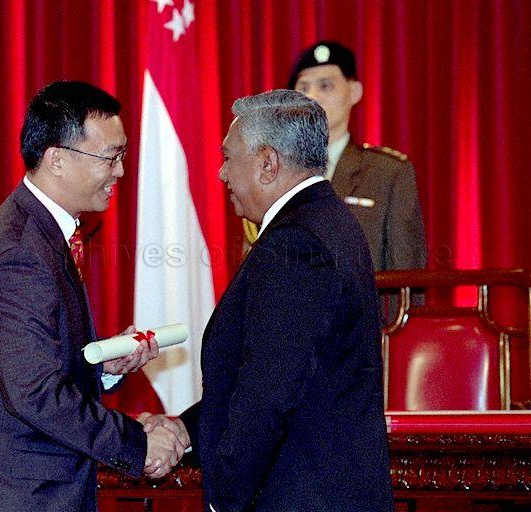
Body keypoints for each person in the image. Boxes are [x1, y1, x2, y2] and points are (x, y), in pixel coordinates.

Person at [0, 81, 187, 512]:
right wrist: (135, 443)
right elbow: (35, 394)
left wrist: (103, 368)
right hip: (15, 498)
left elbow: (31, 367)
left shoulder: (42, 235)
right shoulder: (20, 254)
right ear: (57, 160)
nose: (120, 172)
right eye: (111, 157)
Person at [145, 90, 393, 511]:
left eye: (228, 157)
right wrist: (187, 429)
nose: (222, 173)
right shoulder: (328, 222)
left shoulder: (295, 244)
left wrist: (225, 495)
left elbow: (270, 391)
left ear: (266, 163)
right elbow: (291, 376)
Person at [262, 40, 426, 272]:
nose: (313, 98)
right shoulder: (274, 174)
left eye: (326, 86)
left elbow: (406, 278)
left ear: (354, 91)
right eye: (304, 88)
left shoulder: (387, 174)